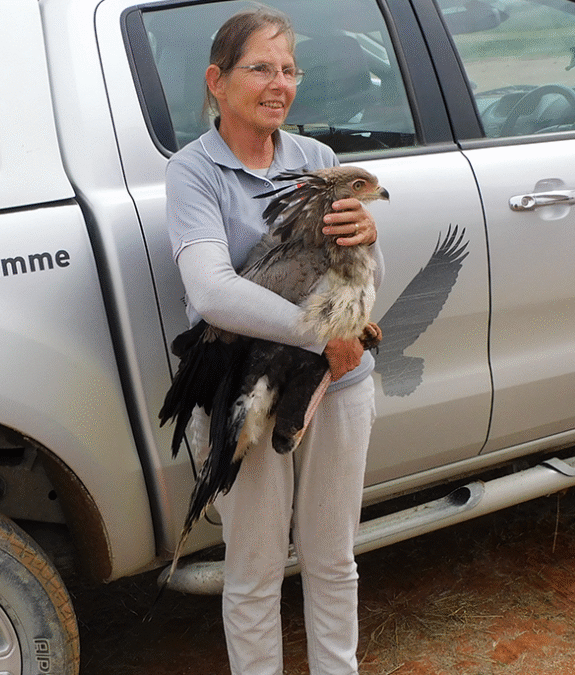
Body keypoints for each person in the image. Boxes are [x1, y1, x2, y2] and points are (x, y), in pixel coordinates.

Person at [165, 6, 383, 675]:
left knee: (332, 556)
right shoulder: (194, 172)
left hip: (337, 386)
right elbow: (212, 292)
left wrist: (372, 238)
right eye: (259, 67)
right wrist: (326, 340)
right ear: (217, 81)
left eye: (288, 69)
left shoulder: (318, 162)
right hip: (247, 387)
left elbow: (357, 278)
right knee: (256, 566)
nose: (278, 83)